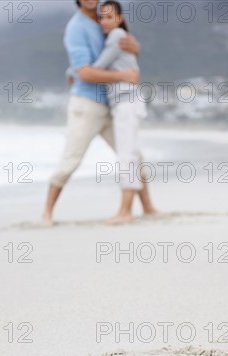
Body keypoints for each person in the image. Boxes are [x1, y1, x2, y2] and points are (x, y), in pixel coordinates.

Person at [43, 0, 157, 225]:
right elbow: (85, 72)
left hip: (112, 103)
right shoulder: (76, 27)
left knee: (134, 155)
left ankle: (148, 207)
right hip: (87, 104)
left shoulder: (104, 19)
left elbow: (118, 55)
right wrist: (122, 77)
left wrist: (136, 48)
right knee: (72, 158)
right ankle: (47, 213)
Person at [90, 0, 148, 224]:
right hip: (126, 102)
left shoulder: (115, 36)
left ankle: (125, 212)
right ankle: (129, 210)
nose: (104, 21)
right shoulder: (120, 39)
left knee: (127, 157)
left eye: (109, 16)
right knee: (130, 155)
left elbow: (98, 67)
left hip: (127, 102)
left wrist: (74, 70)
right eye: (101, 17)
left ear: (120, 18)